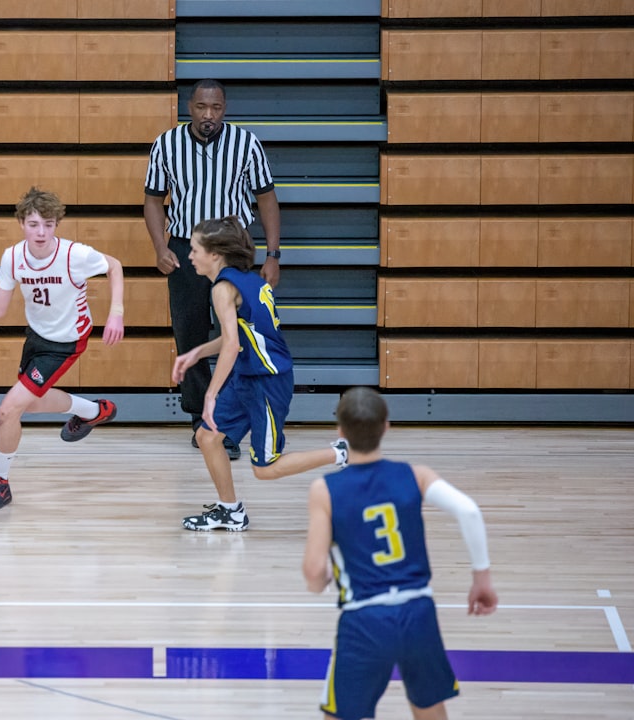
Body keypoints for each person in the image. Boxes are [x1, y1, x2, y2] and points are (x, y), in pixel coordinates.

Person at [302, 386, 498, 720]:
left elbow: (313, 572)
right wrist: (482, 577)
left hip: (365, 618)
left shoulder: (325, 490)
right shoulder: (415, 475)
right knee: (428, 709)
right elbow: (468, 511)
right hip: (418, 612)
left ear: (341, 432)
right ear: (386, 426)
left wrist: (320, 582)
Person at [0, 187, 125, 511]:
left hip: (66, 341)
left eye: (48, 224)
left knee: (8, 410)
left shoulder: (74, 255)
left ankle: (0, 481)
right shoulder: (13, 257)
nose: (41, 232)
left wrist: (116, 313)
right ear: (21, 223)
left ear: (56, 225)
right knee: (31, 404)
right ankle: (93, 411)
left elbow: (114, 266)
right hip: (36, 337)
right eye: (34, 224)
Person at [172, 217, 348, 532]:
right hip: (248, 376)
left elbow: (232, 345)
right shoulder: (247, 280)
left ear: (215, 254)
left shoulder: (223, 288)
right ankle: (230, 511)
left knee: (265, 469)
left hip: (267, 380)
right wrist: (197, 352)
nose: (190, 256)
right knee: (207, 436)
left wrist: (209, 395)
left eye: (195, 249)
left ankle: (339, 453)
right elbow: (240, 334)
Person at [145, 78, 282, 461]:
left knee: (237, 334)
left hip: (233, 251)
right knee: (189, 334)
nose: (209, 115)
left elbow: (267, 198)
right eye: (202, 107)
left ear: (225, 108)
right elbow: (153, 200)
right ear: (190, 107)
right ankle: (201, 420)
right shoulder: (166, 144)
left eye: (216, 108)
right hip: (186, 250)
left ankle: (230, 423)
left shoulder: (246, 144)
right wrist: (160, 247)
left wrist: (273, 255)